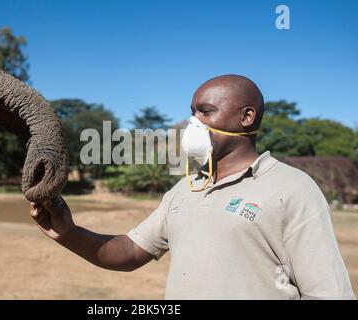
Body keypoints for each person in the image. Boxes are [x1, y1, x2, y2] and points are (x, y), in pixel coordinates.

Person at [30, 74, 355, 300]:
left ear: (247, 117)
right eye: (192, 113)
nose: (193, 123)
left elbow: (327, 294)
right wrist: (68, 232)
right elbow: (129, 251)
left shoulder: (293, 188)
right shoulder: (184, 190)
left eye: (206, 111)